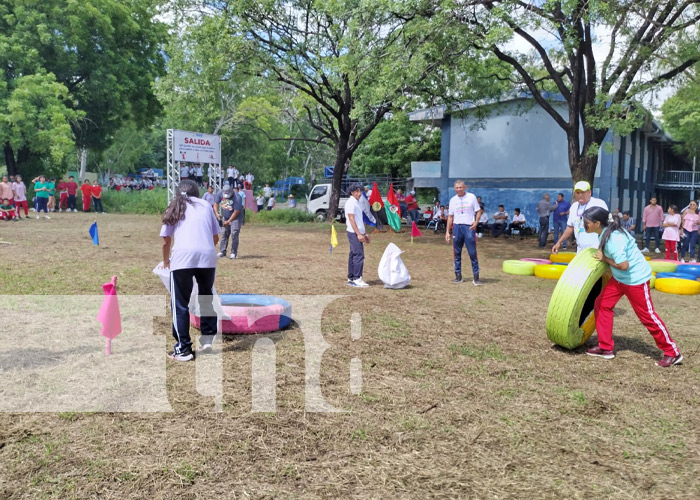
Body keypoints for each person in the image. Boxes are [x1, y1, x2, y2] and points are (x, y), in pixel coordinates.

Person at [583, 207, 682, 367]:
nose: (583, 225)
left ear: (597, 223)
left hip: (635, 279)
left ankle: (672, 352)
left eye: (586, 222)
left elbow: (623, 265)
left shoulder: (614, 239)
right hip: (620, 279)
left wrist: (605, 259)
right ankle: (605, 348)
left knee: (647, 317)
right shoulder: (606, 232)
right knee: (601, 305)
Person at [160, 179, 220, 361]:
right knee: (205, 297)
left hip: (183, 258)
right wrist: (204, 249)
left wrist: (166, 261)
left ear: (178, 193)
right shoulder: (205, 205)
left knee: (180, 304)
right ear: (197, 192)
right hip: (207, 257)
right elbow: (215, 237)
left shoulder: (174, 205)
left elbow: (165, 240)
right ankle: (208, 340)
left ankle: (183, 349)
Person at [552, 181, 608, 254]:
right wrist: (559, 242)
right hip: (580, 249)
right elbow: (570, 227)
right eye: (578, 193)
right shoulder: (574, 206)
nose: (580, 195)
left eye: (583, 192)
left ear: (589, 192)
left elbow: (607, 226)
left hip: (597, 248)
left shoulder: (599, 204)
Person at [445, 180, 483, 285]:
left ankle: (476, 277)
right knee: (456, 253)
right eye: (456, 188)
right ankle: (458, 276)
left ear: (464, 187)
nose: (458, 189)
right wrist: (447, 231)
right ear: (454, 188)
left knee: (472, 253)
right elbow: (450, 216)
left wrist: (476, 222)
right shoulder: (453, 200)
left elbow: (478, 211)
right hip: (457, 227)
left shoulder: (471, 197)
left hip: (468, 227)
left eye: (460, 187)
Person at [345, 182, 374, 287]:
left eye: (360, 191)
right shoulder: (351, 203)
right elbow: (351, 219)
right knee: (358, 255)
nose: (359, 193)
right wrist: (358, 234)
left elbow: (359, 220)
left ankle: (351, 277)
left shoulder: (357, 202)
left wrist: (365, 233)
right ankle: (357, 278)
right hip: (353, 232)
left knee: (353, 254)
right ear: (352, 192)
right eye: (357, 191)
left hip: (358, 231)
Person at [215, 184, 244, 259]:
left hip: (236, 218)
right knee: (224, 233)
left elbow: (236, 212)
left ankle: (233, 253)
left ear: (231, 191)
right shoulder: (220, 193)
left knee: (234, 234)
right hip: (225, 216)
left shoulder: (237, 197)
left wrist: (229, 221)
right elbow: (215, 204)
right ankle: (222, 251)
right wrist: (217, 213)